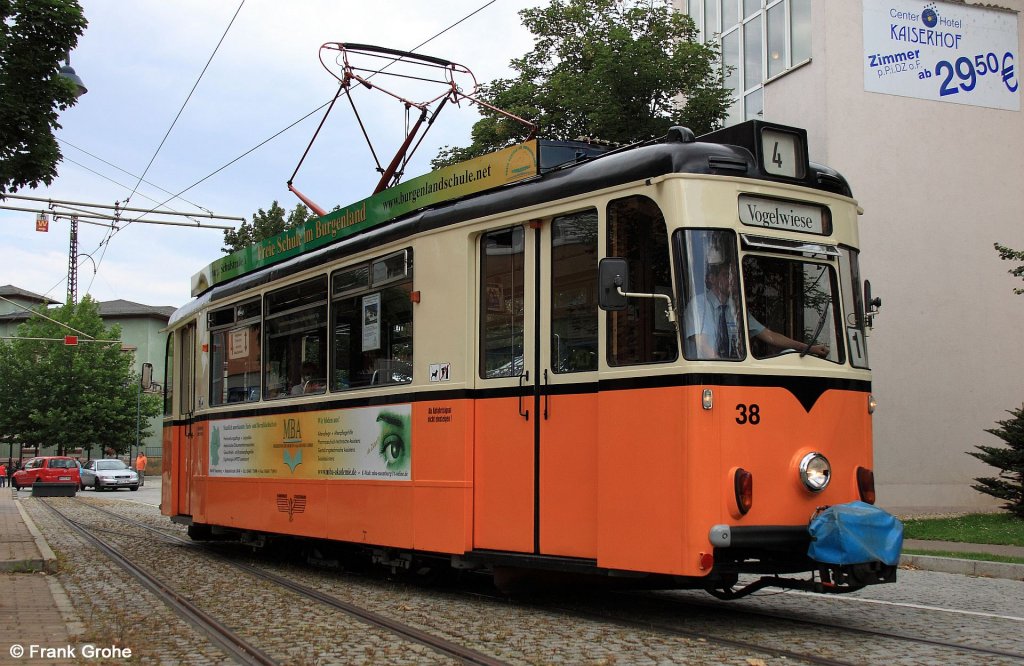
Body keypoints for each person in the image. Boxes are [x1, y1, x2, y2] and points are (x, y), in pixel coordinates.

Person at [684, 257, 829, 360]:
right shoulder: (698, 304)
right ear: (711, 278)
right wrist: (723, 370)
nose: (731, 280)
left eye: (733, 275)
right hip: (708, 374)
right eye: (725, 275)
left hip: (729, 372)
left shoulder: (735, 308)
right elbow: (703, 344)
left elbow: (770, 336)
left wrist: (809, 348)